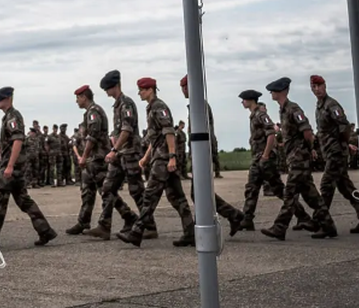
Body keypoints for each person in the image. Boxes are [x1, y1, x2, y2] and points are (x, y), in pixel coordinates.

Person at [120, 77, 195, 247]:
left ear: (150, 90)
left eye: (142, 90)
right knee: (177, 198)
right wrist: (146, 157)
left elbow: (169, 132)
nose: (139, 93)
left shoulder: (159, 106)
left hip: (163, 160)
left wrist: (172, 156)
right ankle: (190, 232)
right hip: (159, 156)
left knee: (150, 196)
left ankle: (137, 232)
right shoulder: (151, 107)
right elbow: (156, 138)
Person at [262, 77, 334, 240]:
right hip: (294, 158)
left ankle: (280, 227)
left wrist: (308, 150)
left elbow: (307, 132)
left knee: (290, 194)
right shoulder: (283, 110)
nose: (271, 93)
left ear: (280, 91)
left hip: (299, 159)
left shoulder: (293, 109)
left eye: (273, 91)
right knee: (311, 196)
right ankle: (328, 226)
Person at [0, 87, 57, 248]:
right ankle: (45, 230)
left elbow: (18, 140)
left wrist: (9, 166)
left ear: (8, 98)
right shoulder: (8, 117)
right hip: (15, 165)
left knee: (0, 200)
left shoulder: (12, 116)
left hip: (12, 166)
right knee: (23, 200)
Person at [179, 75, 246, 235]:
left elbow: (203, 133)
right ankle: (232, 215)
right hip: (200, 153)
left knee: (199, 193)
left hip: (202, 153)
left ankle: (231, 215)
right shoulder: (198, 104)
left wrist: (202, 155)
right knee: (200, 193)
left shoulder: (199, 105)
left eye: (185, 87)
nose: (183, 90)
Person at [90, 70, 144, 241]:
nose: (106, 92)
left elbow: (127, 130)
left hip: (130, 153)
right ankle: (106, 225)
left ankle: (148, 226)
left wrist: (114, 150)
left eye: (107, 89)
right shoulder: (118, 105)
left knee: (136, 191)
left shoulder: (126, 104)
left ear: (114, 87)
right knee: (107, 188)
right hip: (121, 154)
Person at [310, 75, 359, 233]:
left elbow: (344, 126)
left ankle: (324, 224)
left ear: (325, 86)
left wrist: (343, 144)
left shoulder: (331, 104)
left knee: (326, 185)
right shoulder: (320, 106)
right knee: (346, 187)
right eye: (314, 86)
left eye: (319, 85)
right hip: (329, 151)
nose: (317, 89)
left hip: (336, 152)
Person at [238, 89, 285, 231]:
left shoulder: (260, 114)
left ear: (250, 100)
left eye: (244, 100)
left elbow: (271, 134)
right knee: (251, 188)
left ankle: (303, 217)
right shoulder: (254, 115)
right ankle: (247, 219)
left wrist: (265, 155)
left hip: (264, 159)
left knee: (279, 189)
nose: (242, 102)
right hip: (258, 159)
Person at [67, 84, 109, 235]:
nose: (76, 101)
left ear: (84, 97)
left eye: (77, 98)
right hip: (92, 160)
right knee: (87, 192)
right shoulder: (89, 113)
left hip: (98, 159)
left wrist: (83, 156)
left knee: (106, 193)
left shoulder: (94, 112)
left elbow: (93, 136)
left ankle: (128, 217)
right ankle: (83, 222)